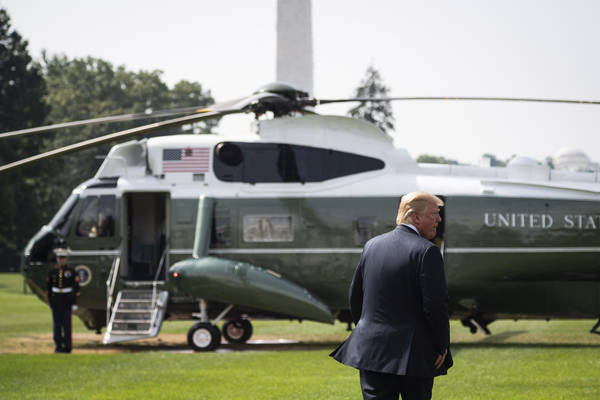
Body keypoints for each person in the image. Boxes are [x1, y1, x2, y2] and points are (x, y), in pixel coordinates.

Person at [330, 191, 452, 400]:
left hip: (372, 350)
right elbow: (434, 306)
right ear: (415, 217)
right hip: (414, 354)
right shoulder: (427, 251)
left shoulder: (371, 246)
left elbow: (356, 296)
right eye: (434, 214)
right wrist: (441, 345)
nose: (439, 220)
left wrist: (368, 330)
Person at [46, 248, 80, 353]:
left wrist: (74, 303)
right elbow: (48, 288)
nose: (61, 260)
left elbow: (76, 288)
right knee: (57, 325)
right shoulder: (52, 271)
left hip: (67, 300)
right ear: (57, 259)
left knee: (67, 325)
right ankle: (58, 346)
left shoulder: (72, 271)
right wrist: (50, 302)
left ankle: (67, 347)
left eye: (63, 258)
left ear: (66, 259)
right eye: (59, 258)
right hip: (56, 300)